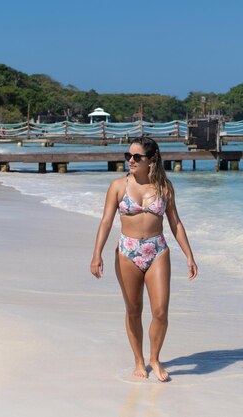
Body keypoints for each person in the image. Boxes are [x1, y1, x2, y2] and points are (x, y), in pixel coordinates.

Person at [90, 136, 198, 382]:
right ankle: (139, 360)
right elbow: (106, 221)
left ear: (151, 160)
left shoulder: (164, 187)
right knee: (134, 309)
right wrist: (97, 254)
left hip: (157, 249)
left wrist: (189, 255)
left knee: (160, 311)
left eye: (136, 157)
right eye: (128, 156)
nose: (130, 160)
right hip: (127, 251)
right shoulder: (118, 186)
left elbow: (175, 223)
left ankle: (154, 359)